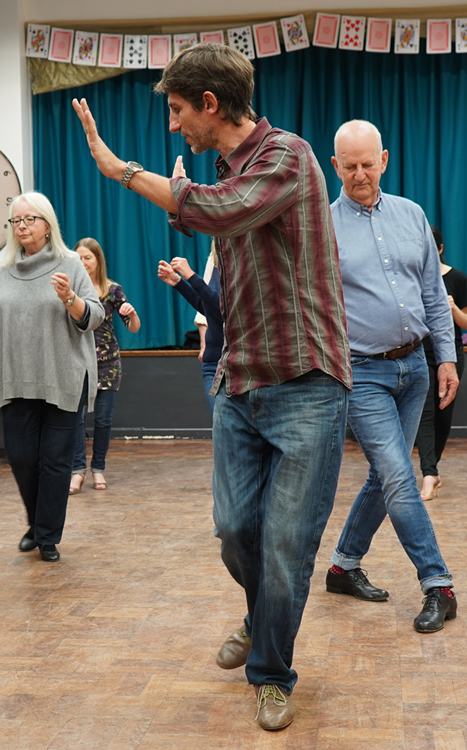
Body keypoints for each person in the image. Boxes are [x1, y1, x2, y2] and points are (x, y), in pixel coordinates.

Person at [73, 43, 352, 731]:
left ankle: (272, 671)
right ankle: (264, 620)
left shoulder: (287, 155)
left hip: (308, 386)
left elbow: (223, 210)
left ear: (209, 104)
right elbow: (215, 219)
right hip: (240, 383)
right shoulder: (225, 170)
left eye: (177, 111)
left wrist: (121, 171)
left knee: (287, 546)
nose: (175, 127)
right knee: (234, 531)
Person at [322, 120, 460, 634]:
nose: (360, 175)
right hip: (363, 373)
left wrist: (444, 358)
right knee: (401, 476)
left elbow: (433, 297)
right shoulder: (324, 225)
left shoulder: (412, 214)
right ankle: (437, 583)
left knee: (386, 476)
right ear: (334, 167)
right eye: (349, 166)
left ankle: (342, 565)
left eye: (367, 163)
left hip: (416, 367)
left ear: (385, 159)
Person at [0, 193, 104, 563]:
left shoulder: (71, 263)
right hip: (17, 379)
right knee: (22, 457)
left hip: (62, 377)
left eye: (30, 219)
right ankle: (36, 523)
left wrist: (69, 298)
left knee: (56, 461)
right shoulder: (6, 270)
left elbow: (93, 315)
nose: (23, 226)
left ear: (47, 225)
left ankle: (47, 536)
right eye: (17, 221)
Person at [69, 237, 140, 494]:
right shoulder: (69, 291)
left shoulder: (112, 290)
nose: (83, 263)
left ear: (98, 260)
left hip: (107, 363)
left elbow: (133, 327)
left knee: (102, 419)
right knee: (75, 419)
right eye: (78, 258)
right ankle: (78, 470)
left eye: (88, 257)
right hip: (78, 362)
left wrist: (132, 314)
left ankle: (98, 467)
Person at [415, 227, 467, 501]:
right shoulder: (413, 278)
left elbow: (466, 323)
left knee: (443, 415)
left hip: (451, 354)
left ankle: (432, 467)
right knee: (424, 412)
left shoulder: (458, 278)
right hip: (420, 354)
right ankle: (429, 472)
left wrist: (452, 308)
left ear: (439, 249)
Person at [157, 251, 222, 409]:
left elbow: (225, 311)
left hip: (237, 363)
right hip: (213, 363)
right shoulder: (215, 259)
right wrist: (178, 282)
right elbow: (207, 307)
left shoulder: (243, 262)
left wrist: (191, 276)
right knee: (221, 429)